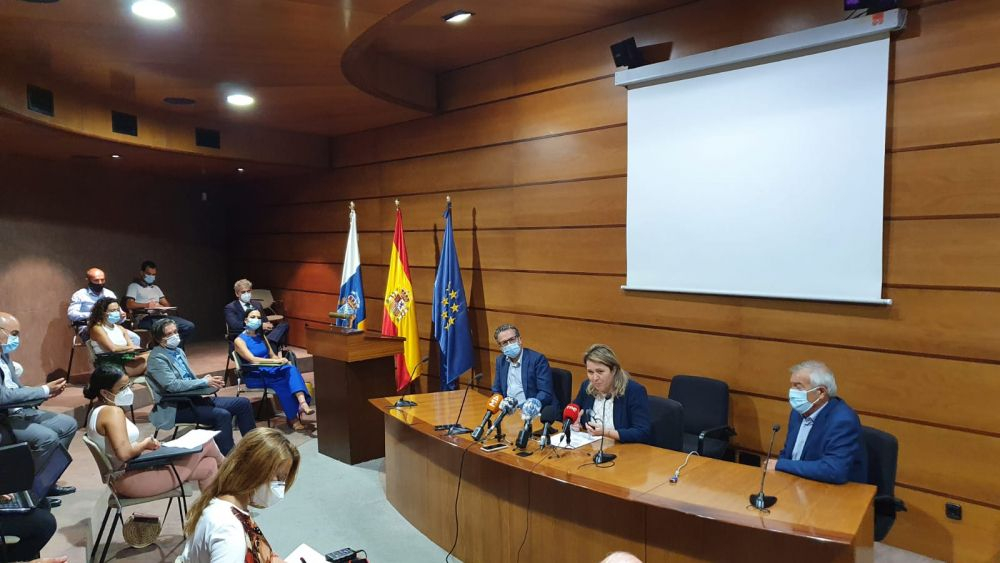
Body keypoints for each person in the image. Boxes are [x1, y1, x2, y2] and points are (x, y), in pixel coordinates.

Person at [83, 364, 223, 497]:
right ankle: (231, 471)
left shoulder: (96, 410)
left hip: (134, 471)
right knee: (207, 443)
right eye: (122, 388)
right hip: (131, 479)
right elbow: (124, 454)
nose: (128, 391)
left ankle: (214, 510)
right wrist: (145, 444)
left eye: (129, 385)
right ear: (105, 392)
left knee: (209, 465)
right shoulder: (112, 413)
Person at [179, 427, 300, 563]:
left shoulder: (227, 503)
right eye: (280, 477)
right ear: (257, 470)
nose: (280, 486)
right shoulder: (229, 532)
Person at [145, 319, 255, 455]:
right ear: (159, 339)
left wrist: (207, 381)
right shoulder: (157, 358)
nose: (175, 336)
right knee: (222, 415)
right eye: (169, 334)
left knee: (242, 403)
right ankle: (229, 459)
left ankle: (255, 449)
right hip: (176, 407)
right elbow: (172, 386)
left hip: (194, 399)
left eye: (175, 332)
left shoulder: (178, 351)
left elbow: (187, 380)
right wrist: (203, 382)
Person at [0, 312, 77, 497]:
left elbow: (16, 388)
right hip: (4, 417)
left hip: (19, 410)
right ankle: (26, 491)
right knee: (47, 438)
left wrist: (45, 394)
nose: (17, 339)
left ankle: (45, 483)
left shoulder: (4, 354)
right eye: (14, 333)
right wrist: (43, 390)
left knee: (68, 425)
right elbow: (3, 397)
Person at [767, 360, 867, 485]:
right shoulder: (798, 413)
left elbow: (834, 470)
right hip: (799, 483)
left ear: (821, 392)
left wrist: (781, 464)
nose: (791, 391)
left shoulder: (842, 420)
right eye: (791, 385)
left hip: (836, 490)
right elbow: (788, 454)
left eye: (798, 386)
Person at [233, 309, 313, 430]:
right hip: (255, 374)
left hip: (270, 369)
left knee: (291, 369)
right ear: (246, 320)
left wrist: (281, 360)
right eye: (253, 317)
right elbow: (252, 360)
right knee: (282, 382)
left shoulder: (262, 336)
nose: (256, 320)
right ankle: (293, 419)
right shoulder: (239, 340)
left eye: (258, 318)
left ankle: (303, 403)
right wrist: (276, 362)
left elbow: (272, 355)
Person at [570, 344, 651, 444]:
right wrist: (574, 423)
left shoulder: (634, 391)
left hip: (623, 449)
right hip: (590, 447)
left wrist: (607, 432)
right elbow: (573, 411)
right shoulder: (587, 387)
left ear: (614, 370)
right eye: (590, 372)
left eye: (600, 371)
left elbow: (643, 432)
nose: (594, 378)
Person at [124, 260, 196, 346]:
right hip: (145, 318)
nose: (151, 276)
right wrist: (147, 305)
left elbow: (167, 304)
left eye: (153, 274)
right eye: (149, 274)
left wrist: (160, 306)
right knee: (166, 328)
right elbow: (129, 304)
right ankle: (167, 348)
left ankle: (173, 347)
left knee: (189, 326)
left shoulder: (156, 288)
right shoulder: (134, 286)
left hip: (160, 316)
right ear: (142, 273)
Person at [491, 324, 555, 408]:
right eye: (505, 343)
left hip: (532, 409)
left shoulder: (537, 359)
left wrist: (527, 408)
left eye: (512, 340)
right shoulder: (501, 361)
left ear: (519, 340)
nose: (509, 344)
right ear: (500, 347)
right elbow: (497, 390)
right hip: (509, 410)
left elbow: (545, 393)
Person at [86, 298, 148, 377]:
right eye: (112, 310)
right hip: (109, 362)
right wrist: (130, 348)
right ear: (103, 313)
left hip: (125, 357)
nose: (116, 313)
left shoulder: (120, 328)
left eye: (117, 310)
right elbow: (112, 348)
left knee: (152, 354)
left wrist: (134, 350)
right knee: (152, 359)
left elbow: (132, 347)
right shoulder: (97, 328)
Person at [224, 279, 288, 350]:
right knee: (273, 342)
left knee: (284, 325)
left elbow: (264, 320)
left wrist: (268, 325)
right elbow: (235, 325)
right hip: (243, 336)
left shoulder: (257, 304)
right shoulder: (231, 307)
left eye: (248, 291)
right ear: (237, 294)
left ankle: (269, 342)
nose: (246, 294)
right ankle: (270, 344)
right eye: (243, 292)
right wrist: (259, 326)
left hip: (260, 334)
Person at [67, 267, 124, 342]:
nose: (100, 283)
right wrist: (94, 314)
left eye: (102, 280)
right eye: (96, 280)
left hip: (110, 326)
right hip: (88, 327)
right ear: (88, 280)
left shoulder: (109, 294)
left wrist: (122, 316)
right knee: (111, 339)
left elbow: (119, 316)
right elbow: (71, 314)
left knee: (134, 338)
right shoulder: (80, 294)